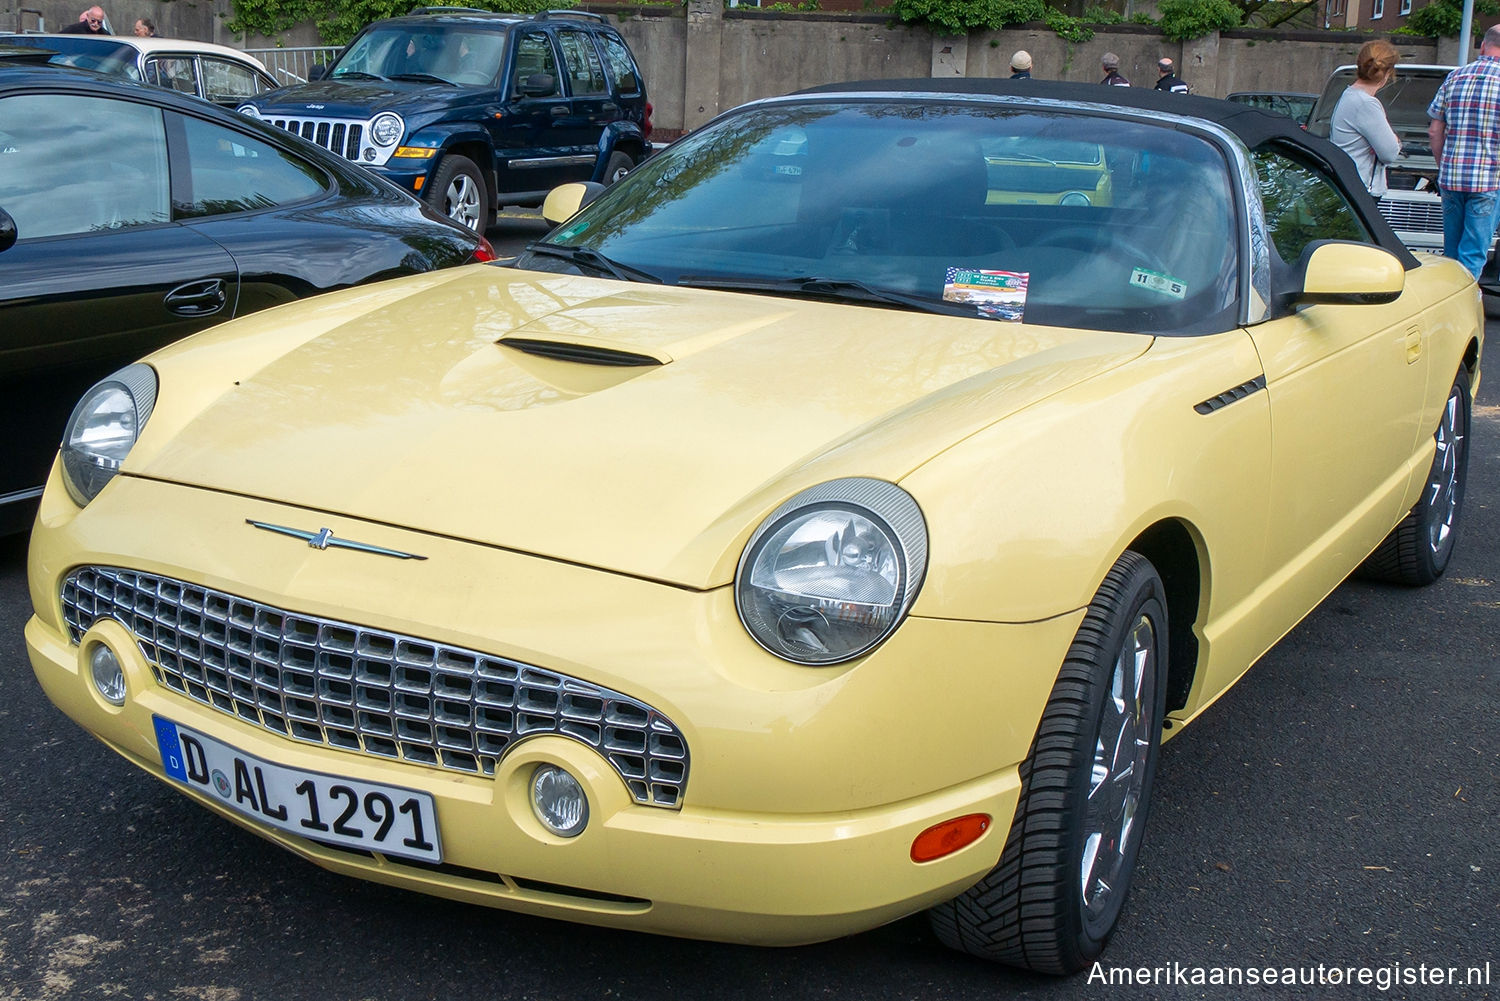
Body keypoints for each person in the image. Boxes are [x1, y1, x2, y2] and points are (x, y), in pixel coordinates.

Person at [1427, 24, 1500, 277]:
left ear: (1482, 45)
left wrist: (1443, 166)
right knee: (1473, 256)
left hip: (1451, 180)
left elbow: (1435, 131)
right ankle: (1464, 312)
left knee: (1451, 256)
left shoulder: (1455, 77)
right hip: (1488, 182)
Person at [1330, 40, 1401, 197]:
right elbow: (1389, 153)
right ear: (1388, 73)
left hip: (1347, 183)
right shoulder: (1367, 103)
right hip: (1361, 189)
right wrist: (1395, 140)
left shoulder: (1349, 94)